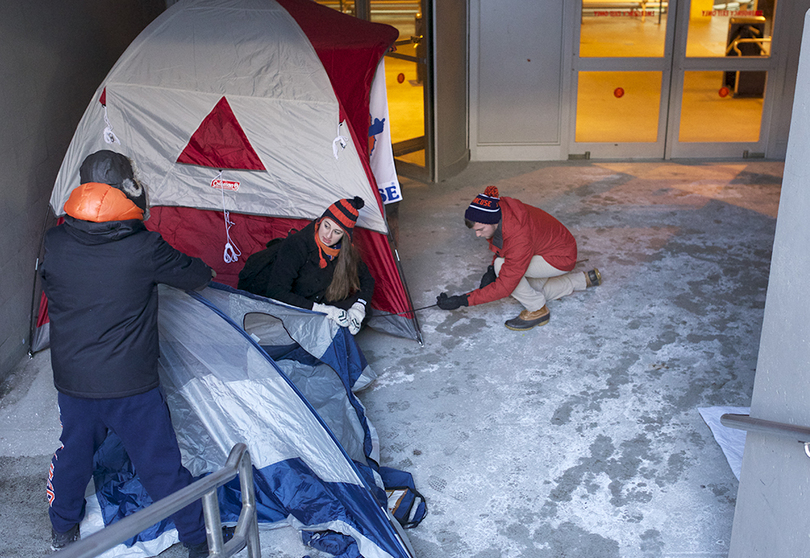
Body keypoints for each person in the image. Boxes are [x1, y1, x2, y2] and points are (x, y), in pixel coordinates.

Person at [40, 150, 216, 557]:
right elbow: (197, 276)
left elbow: (54, 289)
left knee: (73, 457)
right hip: (131, 386)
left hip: (74, 381)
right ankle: (196, 541)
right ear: (127, 189)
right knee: (162, 468)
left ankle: (62, 530)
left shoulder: (56, 242)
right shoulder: (145, 247)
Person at [436, 185, 601, 331]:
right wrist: (490, 271)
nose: (478, 235)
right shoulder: (501, 213)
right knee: (528, 290)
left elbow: (505, 285)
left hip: (559, 257)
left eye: (480, 229)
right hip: (547, 249)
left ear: (492, 221)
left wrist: (462, 300)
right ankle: (583, 280)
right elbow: (503, 246)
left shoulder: (517, 235)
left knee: (505, 272)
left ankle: (538, 310)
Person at [262, 196, 374, 335]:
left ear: (344, 236)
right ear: (320, 221)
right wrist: (324, 311)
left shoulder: (345, 252)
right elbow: (276, 292)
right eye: (326, 225)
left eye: (337, 232)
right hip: (295, 304)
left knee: (357, 315)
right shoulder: (297, 245)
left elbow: (367, 279)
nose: (328, 235)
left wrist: (358, 308)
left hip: (321, 300)